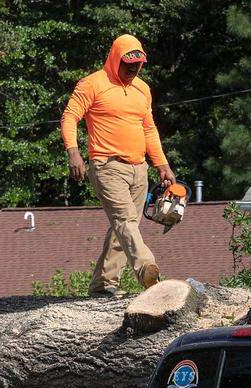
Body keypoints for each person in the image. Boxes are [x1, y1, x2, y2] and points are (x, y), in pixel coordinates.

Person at [61, 34, 177, 296]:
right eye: (128, 66)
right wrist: (73, 153)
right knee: (126, 221)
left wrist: (162, 164)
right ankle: (147, 270)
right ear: (115, 59)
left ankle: (103, 285)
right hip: (106, 166)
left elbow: (149, 129)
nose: (133, 71)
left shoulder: (142, 89)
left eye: (138, 66)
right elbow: (70, 118)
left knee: (126, 226)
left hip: (139, 168)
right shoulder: (92, 84)